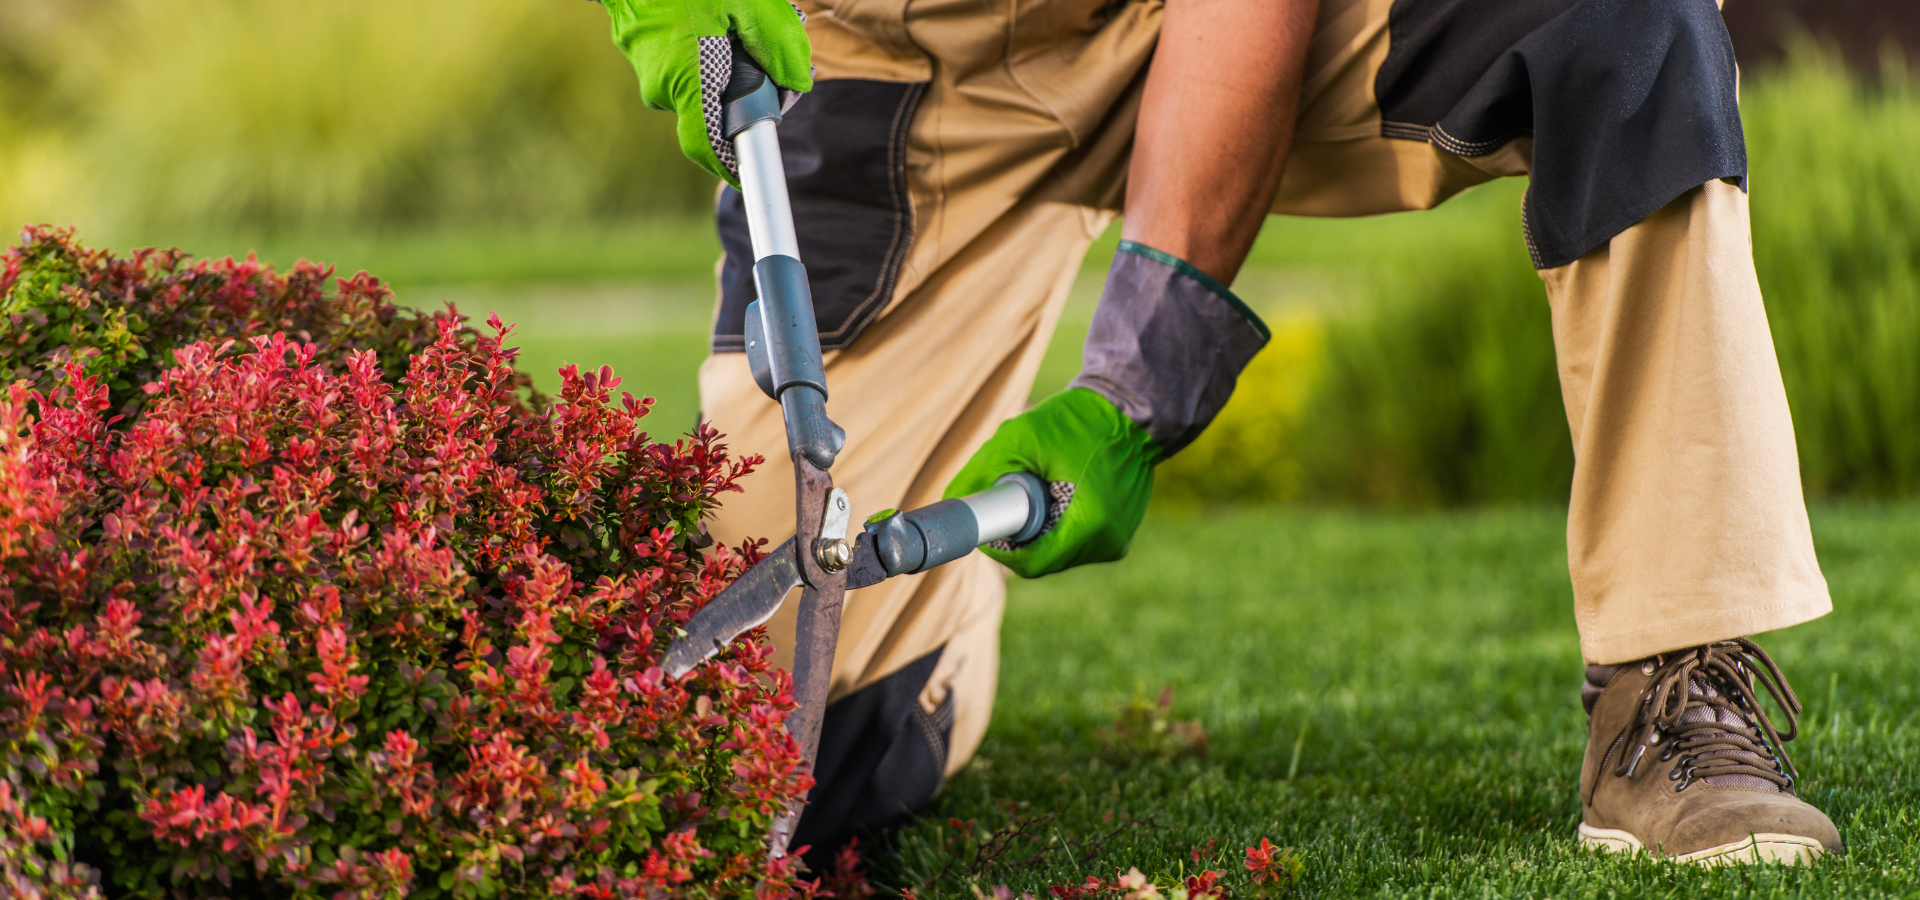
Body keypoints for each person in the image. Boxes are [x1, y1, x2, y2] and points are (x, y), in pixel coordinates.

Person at [596, 0, 1842, 870]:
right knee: (776, 749)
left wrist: (1138, 389)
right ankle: (932, 647)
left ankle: (1670, 688)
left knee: (1620, 26)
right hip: (883, 62)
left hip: (1191, 25)